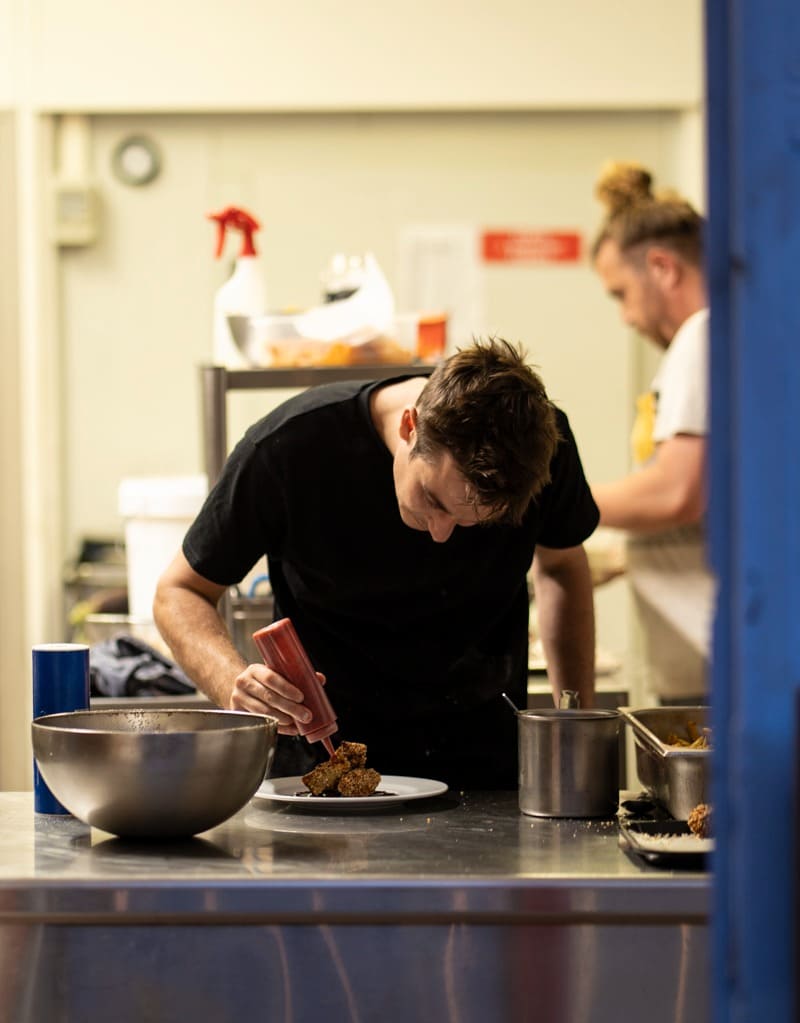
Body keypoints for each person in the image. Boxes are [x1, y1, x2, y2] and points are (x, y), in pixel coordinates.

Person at [153, 338, 598, 788]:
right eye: (432, 499)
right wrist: (235, 683)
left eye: (474, 523)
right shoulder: (290, 446)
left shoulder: (544, 449)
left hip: (485, 769)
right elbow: (180, 592)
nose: (440, 533)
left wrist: (575, 727)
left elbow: (562, 566)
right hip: (324, 772)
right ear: (410, 426)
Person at [589, 161, 712, 706]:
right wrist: (625, 554)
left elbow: (677, 492)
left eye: (621, 293)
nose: (626, 317)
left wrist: (554, 502)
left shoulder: (702, 336)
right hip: (700, 659)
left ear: (662, 267)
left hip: (715, 663)